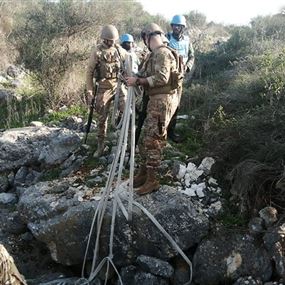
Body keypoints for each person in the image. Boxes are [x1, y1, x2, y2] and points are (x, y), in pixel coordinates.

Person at [126, 23, 182, 195]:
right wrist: (131, 78)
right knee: (146, 138)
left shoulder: (163, 53)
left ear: (150, 37)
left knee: (153, 140)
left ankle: (152, 180)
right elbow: (142, 73)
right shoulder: (154, 55)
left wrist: (139, 82)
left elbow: (162, 78)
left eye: (146, 39)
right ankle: (144, 174)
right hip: (155, 100)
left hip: (162, 101)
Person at [86, 25, 126, 157]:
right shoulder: (97, 52)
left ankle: (129, 143)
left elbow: (130, 60)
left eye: (113, 40)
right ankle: (100, 145)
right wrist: (90, 91)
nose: (111, 42)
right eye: (109, 40)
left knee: (127, 112)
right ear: (104, 39)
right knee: (102, 117)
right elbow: (89, 73)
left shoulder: (119, 50)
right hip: (103, 87)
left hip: (118, 85)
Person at [166, 14, 195, 143]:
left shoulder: (187, 41)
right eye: (175, 25)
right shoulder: (166, 38)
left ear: (183, 27)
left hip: (179, 78)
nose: (176, 28)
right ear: (172, 26)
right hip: (166, 77)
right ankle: (161, 130)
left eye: (179, 26)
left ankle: (171, 131)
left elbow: (192, 56)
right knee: (164, 103)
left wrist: (188, 67)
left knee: (176, 105)